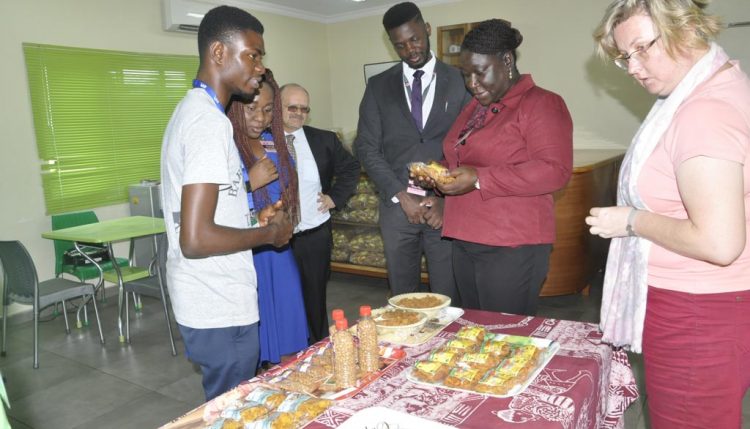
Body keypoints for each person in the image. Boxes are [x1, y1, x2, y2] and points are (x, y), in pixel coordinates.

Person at [586, 1, 750, 427]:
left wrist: (631, 221)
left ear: (687, 28)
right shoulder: (713, 85)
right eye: (626, 57)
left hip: (696, 311)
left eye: (642, 48)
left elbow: (719, 243)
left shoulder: (703, 113)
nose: (634, 67)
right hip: (710, 305)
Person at [160, 6, 293, 401]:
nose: (260, 67)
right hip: (217, 302)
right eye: (253, 54)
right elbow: (196, 238)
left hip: (210, 297)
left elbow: (214, 210)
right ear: (219, 53)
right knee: (232, 412)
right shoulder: (207, 123)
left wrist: (253, 215)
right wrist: (269, 233)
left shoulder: (197, 113)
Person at [415, 19, 573, 316]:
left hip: (510, 244)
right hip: (465, 237)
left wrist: (478, 179)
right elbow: (464, 159)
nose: (472, 83)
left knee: (505, 336)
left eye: (480, 72)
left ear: (507, 60)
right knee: (474, 328)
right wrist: (439, 174)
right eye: (466, 75)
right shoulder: (475, 108)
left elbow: (554, 170)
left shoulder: (541, 104)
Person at [354, 2, 470, 302]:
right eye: (400, 46)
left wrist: (443, 199)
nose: (410, 50)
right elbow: (366, 147)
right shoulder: (378, 87)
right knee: (403, 299)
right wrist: (400, 194)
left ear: (427, 30)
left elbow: (470, 145)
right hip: (397, 209)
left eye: (415, 39)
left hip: (446, 210)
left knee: (448, 296)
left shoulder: (460, 81)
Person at [227, 71, 309, 366]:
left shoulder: (273, 143)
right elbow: (215, 204)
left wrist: (284, 208)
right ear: (235, 106)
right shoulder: (225, 146)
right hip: (247, 249)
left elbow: (287, 187)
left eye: (267, 109)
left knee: (289, 330)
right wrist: (251, 182)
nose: (259, 118)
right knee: (255, 341)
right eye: (251, 109)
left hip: (277, 247)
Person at [280, 83, 360, 343]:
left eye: (304, 108)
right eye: (292, 107)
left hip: (314, 234)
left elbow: (351, 168)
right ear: (277, 107)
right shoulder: (262, 141)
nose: (298, 113)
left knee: (314, 297)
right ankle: (283, 351)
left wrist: (334, 198)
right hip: (276, 239)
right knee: (281, 298)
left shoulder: (323, 139)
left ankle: (317, 347)